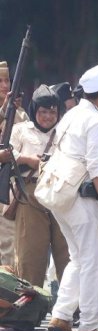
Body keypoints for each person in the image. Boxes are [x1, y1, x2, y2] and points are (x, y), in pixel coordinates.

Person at [45, 61, 98, 331]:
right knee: (96, 262)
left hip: (62, 196)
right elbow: (97, 166)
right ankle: (90, 325)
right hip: (83, 199)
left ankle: (62, 315)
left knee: (81, 260)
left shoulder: (72, 114)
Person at [0, 86, 68, 288]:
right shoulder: (20, 130)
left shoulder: (66, 131)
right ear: (34, 110)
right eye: (43, 111)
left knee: (67, 252)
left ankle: (70, 306)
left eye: (52, 111)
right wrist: (28, 160)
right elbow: (6, 154)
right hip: (30, 193)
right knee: (31, 253)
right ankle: (30, 304)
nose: (48, 116)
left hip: (62, 193)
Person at [0, 60, 29, 268]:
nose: (4, 85)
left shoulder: (20, 114)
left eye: (7, 80)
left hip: (10, 188)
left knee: (10, 245)